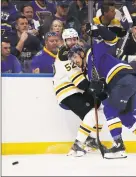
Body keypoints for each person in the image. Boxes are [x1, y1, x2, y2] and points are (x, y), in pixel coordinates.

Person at [67, 30, 136, 159]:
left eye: (74, 57)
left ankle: (119, 147)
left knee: (110, 110)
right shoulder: (89, 73)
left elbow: (112, 38)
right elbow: (104, 92)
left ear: (81, 53)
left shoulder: (92, 53)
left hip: (122, 79)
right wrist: (97, 93)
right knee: (124, 116)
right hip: (126, 82)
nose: (74, 61)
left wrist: (97, 30)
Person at [53, 28, 105, 157]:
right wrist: (93, 88)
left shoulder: (74, 52)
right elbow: (79, 82)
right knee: (92, 113)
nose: (72, 41)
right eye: (69, 39)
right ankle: (77, 145)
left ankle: (91, 140)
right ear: (64, 41)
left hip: (76, 90)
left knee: (97, 108)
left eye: (74, 38)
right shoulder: (65, 55)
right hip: (67, 91)